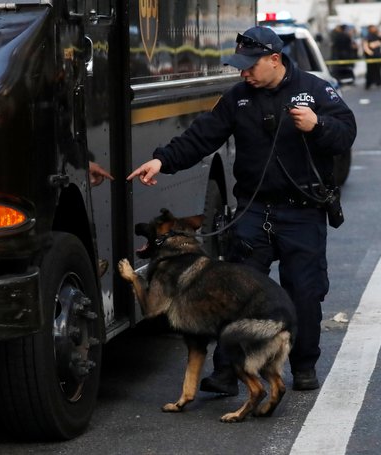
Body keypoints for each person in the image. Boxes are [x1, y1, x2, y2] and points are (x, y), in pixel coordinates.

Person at [127, 26, 357, 392]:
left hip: (302, 211)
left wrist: (318, 126)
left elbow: (346, 133)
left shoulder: (315, 90)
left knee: (305, 291)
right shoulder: (238, 98)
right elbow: (201, 136)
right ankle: (226, 371)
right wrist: (162, 161)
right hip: (255, 210)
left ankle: (304, 365)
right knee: (232, 290)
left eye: (250, 65)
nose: (243, 72)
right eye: (240, 66)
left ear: (275, 60)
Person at [362, 25, 381, 89]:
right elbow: (365, 45)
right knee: (370, 70)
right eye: (373, 28)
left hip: (377, 55)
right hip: (370, 57)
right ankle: (369, 83)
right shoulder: (368, 36)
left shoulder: (377, 35)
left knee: (378, 70)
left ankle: (378, 82)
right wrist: (369, 52)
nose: (375, 29)